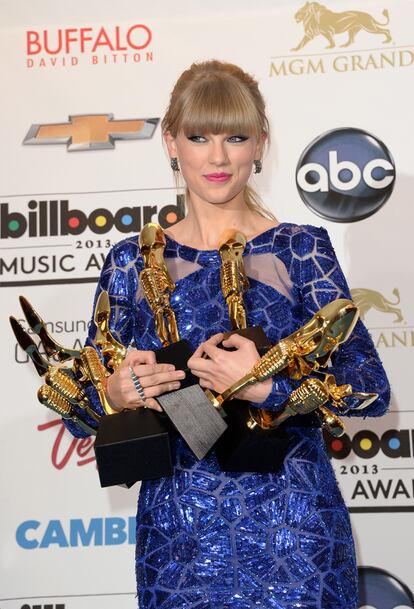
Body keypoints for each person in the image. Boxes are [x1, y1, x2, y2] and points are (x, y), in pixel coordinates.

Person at [66, 60, 390, 609]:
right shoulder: (131, 263)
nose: (218, 157)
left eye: (235, 137)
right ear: (171, 143)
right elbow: (81, 404)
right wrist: (114, 395)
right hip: (179, 538)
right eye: (200, 137)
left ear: (260, 143)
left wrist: (268, 387)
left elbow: (367, 385)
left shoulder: (299, 249)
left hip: (296, 529)